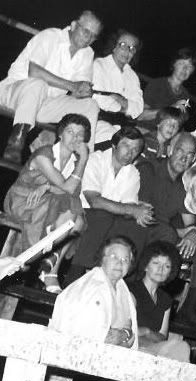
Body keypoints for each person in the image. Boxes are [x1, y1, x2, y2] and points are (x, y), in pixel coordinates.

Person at [49, 236, 139, 381]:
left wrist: (123, 335)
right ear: (102, 259)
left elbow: (128, 333)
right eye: (114, 256)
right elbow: (76, 329)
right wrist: (108, 337)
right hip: (78, 373)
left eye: (125, 260)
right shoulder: (87, 287)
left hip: (107, 373)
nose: (120, 262)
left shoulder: (125, 293)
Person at [134, 132, 196, 328]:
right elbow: (145, 211)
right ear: (169, 150)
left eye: (190, 154)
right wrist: (179, 232)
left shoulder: (186, 183)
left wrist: (193, 233)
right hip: (141, 226)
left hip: (166, 232)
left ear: (194, 159)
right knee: (167, 233)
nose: (184, 157)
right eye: (180, 151)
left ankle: (188, 309)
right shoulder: (149, 168)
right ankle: (150, 295)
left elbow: (190, 222)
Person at [0, 11, 102, 164]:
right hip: (14, 94)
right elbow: (34, 72)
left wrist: (84, 92)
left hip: (44, 106)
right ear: (74, 25)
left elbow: (79, 91)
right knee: (38, 84)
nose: (88, 38)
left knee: (91, 105)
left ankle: (83, 160)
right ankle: (15, 144)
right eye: (86, 31)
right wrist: (73, 86)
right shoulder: (50, 36)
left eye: (93, 36)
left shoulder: (87, 54)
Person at [2, 113, 90, 291]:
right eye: (70, 131)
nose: (75, 137)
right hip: (23, 200)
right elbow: (68, 187)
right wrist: (84, 160)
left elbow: (71, 192)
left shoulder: (73, 163)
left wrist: (48, 188)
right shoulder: (44, 153)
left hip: (49, 203)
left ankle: (51, 267)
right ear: (60, 134)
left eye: (80, 134)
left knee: (78, 220)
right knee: (73, 211)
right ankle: (47, 264)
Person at [66, 125, 152, 282]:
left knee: (138, 227)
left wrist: (138, 212)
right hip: (81, 211)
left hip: (110, 217)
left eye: (135, 149)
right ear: (114, 145)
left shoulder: (132, 172)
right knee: (102, 216)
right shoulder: (95, 160)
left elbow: (129, 210)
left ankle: (121, 282)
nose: (130, 152)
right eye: (126, 145)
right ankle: (74, 276)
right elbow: (94, 200)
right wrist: (132, 209)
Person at [127, 241, 190, 362]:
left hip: (152, 349)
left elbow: (162, 337)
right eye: (156, 263)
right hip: (131, 347)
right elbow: (129, 331)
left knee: (181, 346)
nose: (161, 269)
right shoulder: (132, 290)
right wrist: (150, 336)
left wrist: (146, 331)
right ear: (146, 265)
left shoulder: (165, 299)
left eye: (167, 266)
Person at [92, 29, 144, 145]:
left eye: (132, 48)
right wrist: (126, 107)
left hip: (123, 125)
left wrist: (120, 100)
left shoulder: (133, 76)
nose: (127, 51)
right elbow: (99, 99)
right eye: (123, 45)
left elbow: (138, 108)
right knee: (119, 142)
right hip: (97, 121)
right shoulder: (99, 65)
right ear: (114, 46)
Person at [139, 47, 196, 123]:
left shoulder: (185, 94)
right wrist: (170, 109)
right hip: (146, 129)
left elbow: (179, 121)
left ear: (192, 71)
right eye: (182, 63)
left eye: (190, 66)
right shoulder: (157, 84)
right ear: (174, 64)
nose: (185, 69)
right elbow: (141, 116)